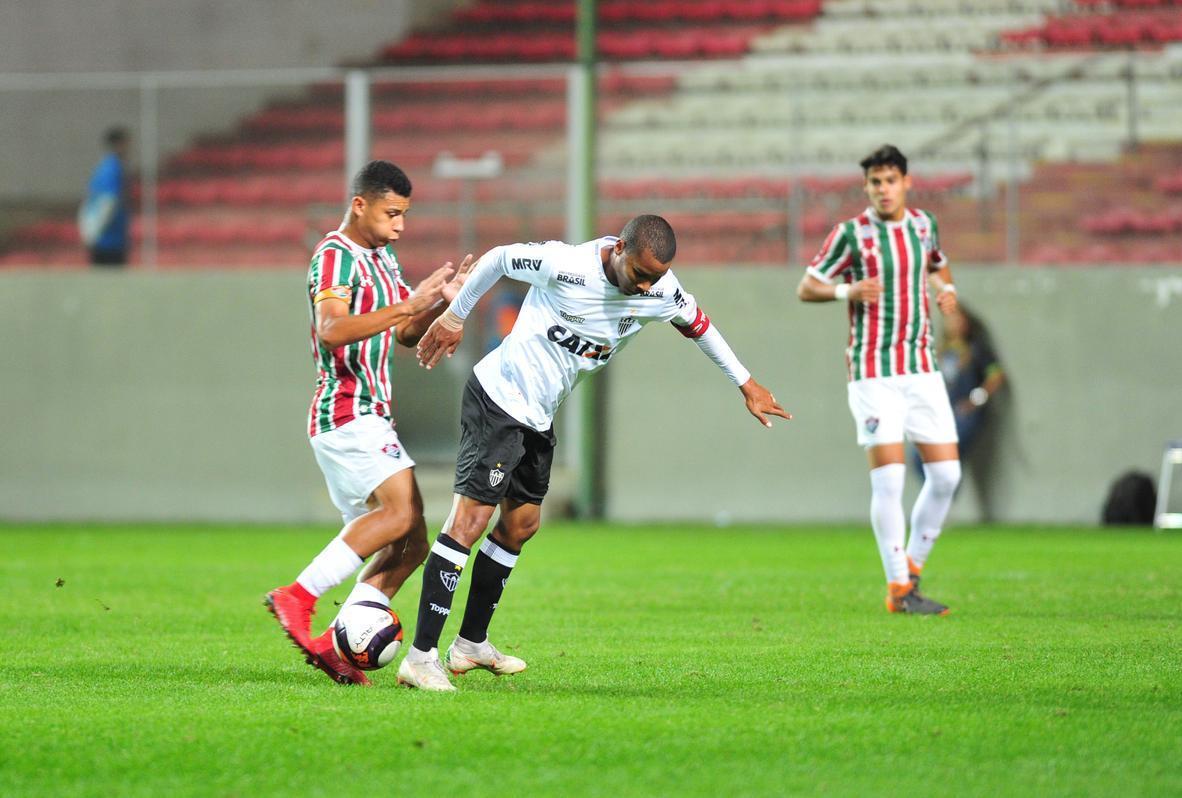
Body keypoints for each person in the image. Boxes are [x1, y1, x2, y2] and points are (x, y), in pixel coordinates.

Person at [397, 214, 791, 691]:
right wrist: (455, 316)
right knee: (469, 522)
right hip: (499, 399)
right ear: (620, 247)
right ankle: (419, 657)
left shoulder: (661, 289)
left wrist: (746, 384)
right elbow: (499, 258)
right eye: (641, 274)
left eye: (656, 277)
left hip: (537, 415)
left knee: (522, 525)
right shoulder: (567, 264)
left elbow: (700, 326)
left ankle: (470, 645)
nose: (647, 286)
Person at [265, 160, 473, 686]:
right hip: (345, 410)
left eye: (404, 214)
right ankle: (297, 597)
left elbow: (402, 335)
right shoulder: (335, 255)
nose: (400, 225)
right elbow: (331, 330)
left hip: (372, 414)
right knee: (399, 515)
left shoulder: (383, 259)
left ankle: (339, 640)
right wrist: (408, 303)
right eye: (391, 213)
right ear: (360, 205)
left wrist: (435, 307)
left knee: (412, 542)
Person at [797, 144, 961, 616]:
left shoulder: (924, 224)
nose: (883, 189)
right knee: (889, 481)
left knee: (948, 476)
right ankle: (898, 589)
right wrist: (847, 289)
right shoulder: (850, 235)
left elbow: (935, 261)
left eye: (890, 180)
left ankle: (911, 571)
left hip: (921, 366)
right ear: (866, 187)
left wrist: (944, 288)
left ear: (906, 183)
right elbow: (807, 286)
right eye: (874, 182)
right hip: (873, 371)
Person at [938, 304, 1005, 461]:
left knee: (949, 457)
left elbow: (996, 376)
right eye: (951, 319)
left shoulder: (976, 350)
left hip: (964, 413)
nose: (956, 323)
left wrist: (974, 401)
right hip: (944, 412)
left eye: (959, 319)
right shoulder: (942, 350)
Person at [79, 127, 131, 266]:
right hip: (109, 240)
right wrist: (94, 232)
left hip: (104, 237)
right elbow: (109, 202)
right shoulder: (113, 169)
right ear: (119, 144)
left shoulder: (102, 168)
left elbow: (89, 200)